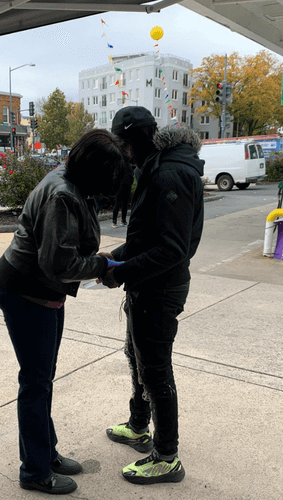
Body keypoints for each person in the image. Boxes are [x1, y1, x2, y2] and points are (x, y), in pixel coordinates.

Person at [0, 129, 130, 495]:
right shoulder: (63, 195)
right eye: (110, 175)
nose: (113, 182)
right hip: (25, 292)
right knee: (35, 383)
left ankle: (44, 453)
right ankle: (34, 471)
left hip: (43, 294)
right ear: (94, 169)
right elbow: (58, 263)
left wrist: (100, 264)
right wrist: (102, 266)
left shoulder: (72, 184)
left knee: (42, 379)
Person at [100, 107, 205, 485]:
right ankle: (139, 425)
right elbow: (147, 237)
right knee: (137, 356)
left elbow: (172, 248)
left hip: (160, 289)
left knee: (155, 370)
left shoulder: (169, 173)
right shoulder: (157, 167)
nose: (122, 152)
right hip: (149, 285)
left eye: (123, 144)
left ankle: (166, 456)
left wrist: (122, 273)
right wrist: (115, 258)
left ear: (137, 140)